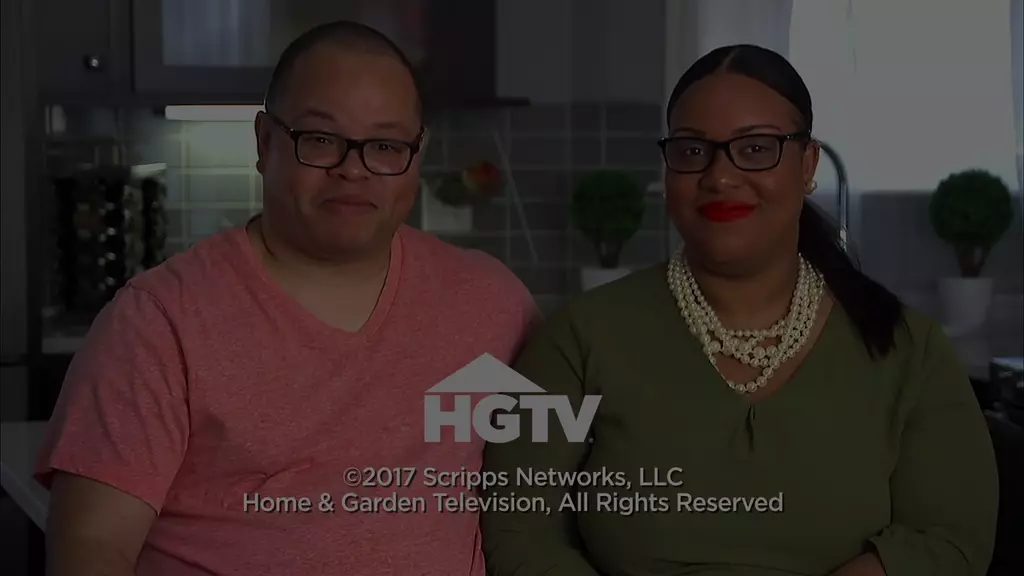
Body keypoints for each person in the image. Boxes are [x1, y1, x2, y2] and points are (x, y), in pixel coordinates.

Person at [37, 21, 539, 576]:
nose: (353, 169)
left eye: (385, 146)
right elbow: (92, 547)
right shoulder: (157, 322)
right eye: (320, 139)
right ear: (264, 142)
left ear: (418, 154)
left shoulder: (492, 303)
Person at [481, 44, 998, 576]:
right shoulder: (580, 339)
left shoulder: (908, 348)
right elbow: (521, 531)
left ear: (808, 164)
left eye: (755, 148)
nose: (720, 177)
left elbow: (949, 539)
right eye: (692, 150)